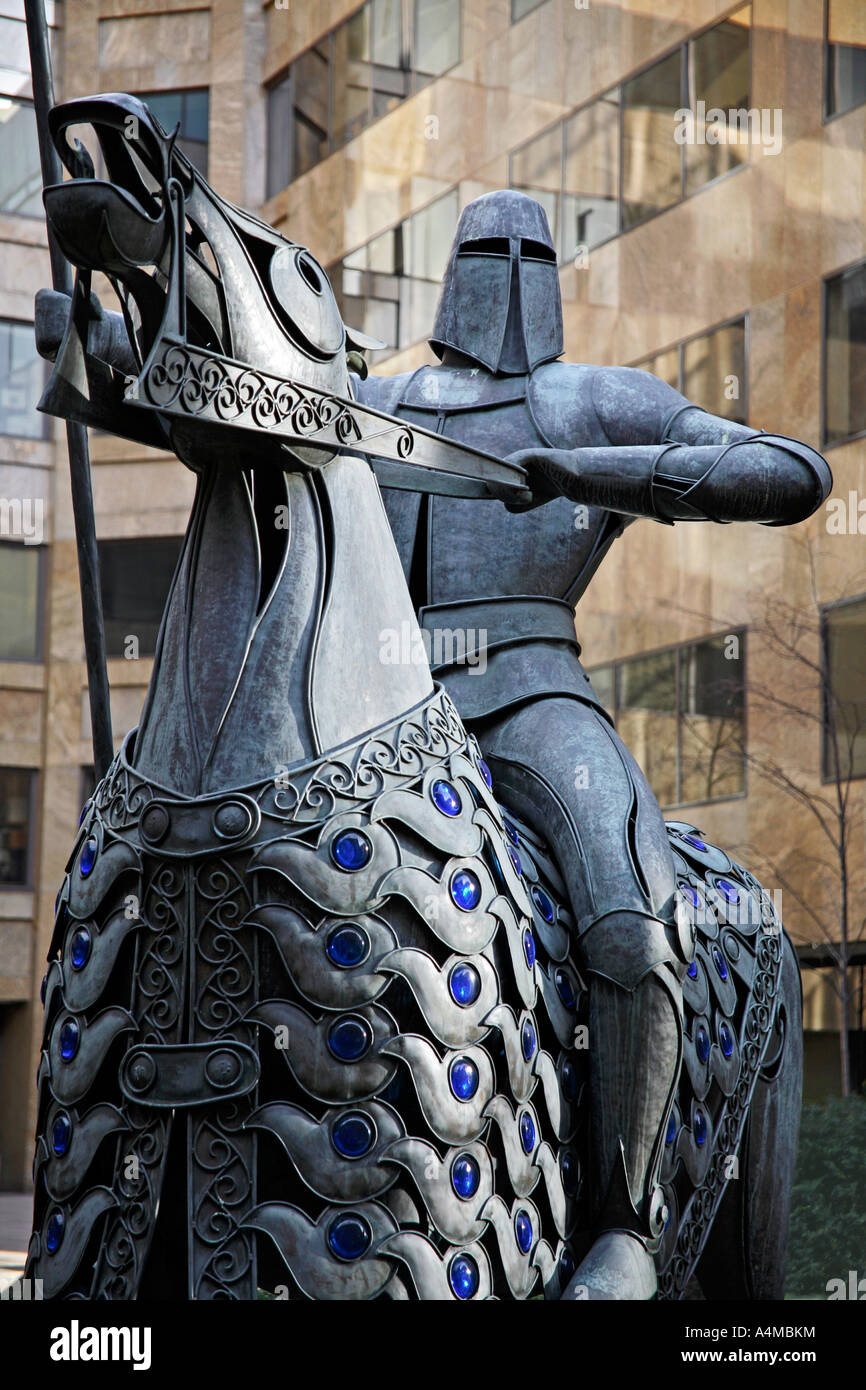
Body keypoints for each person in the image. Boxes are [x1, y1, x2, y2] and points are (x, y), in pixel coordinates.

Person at [354, 190, 831, 1299]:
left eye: (521, 251)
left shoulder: (591, 401)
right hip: (377, 707)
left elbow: (790, 472)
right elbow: (225, 419)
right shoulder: (372, 399)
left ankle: (624, 1222)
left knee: (627, 914)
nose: (502, 274)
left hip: (533, 702)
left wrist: (593, 470)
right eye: (483, 249)